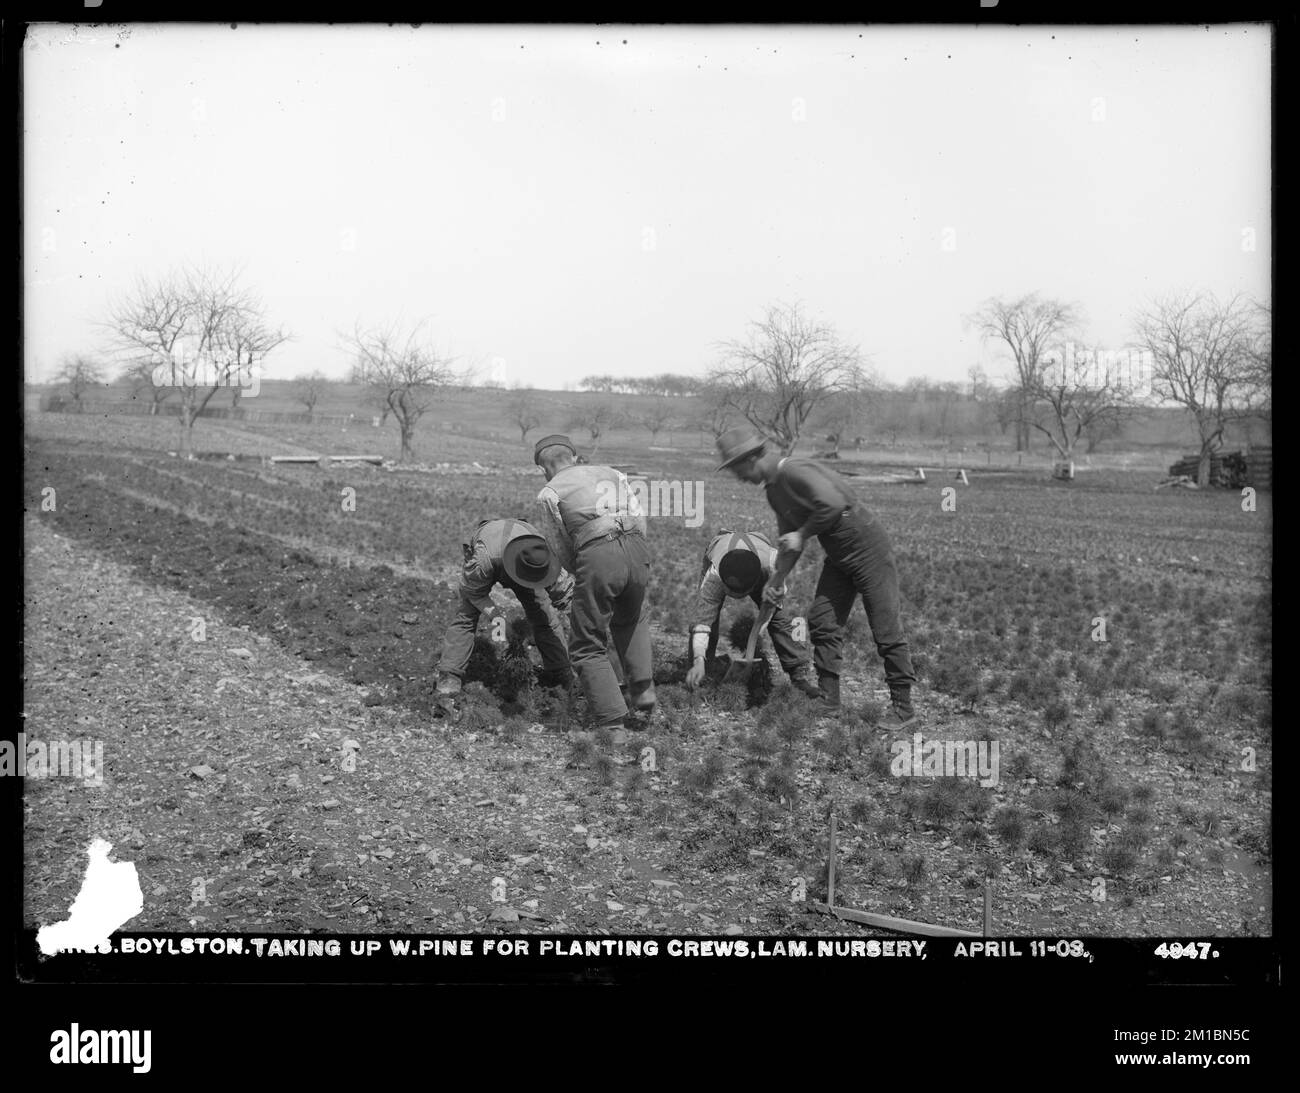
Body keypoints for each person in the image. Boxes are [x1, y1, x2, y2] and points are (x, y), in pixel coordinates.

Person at [715, 427, 919, 727]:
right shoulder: (774, 491)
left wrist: (803, 533)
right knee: (822, 621)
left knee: (885, 628)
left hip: (867, 547)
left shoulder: (793, 471)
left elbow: (833, 504)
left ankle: (904, 709)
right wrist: (777, 579)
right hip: (838, 555)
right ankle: (829, 700)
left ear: (752, 458)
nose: (740, 478)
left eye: (738, 470)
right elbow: (789, 540)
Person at [531, 434, 656, 729]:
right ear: (575, 457)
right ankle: (642, 688)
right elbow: (640, 517)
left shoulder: (549, 492)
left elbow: (559, 544)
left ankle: (612, 724)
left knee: (586, 642)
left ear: (542, 468)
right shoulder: (614, 474)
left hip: (598, 554)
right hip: (637, 548)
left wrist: (587, 574)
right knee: (632, 618)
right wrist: (634, 554)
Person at [435, 517, 574, 698]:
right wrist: (500, 623)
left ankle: (560, 673)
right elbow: (474, 593)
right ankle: (449, 677)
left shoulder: (544, 558)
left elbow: (568, 597)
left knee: (543, 614)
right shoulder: (484, 559)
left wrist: (587, 631)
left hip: (524, 558)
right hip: (494, 558)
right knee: (466, 616)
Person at [684, 528, 821, 697]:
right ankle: (699, 671)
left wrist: (755, 639)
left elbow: (770, 608)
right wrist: (698, 659)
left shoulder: (773, 566)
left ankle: (799, 677)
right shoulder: (714, 577)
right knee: (706, 619)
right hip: (719, 549)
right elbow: (702, 623)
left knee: (780, 619)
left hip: (760, 563)